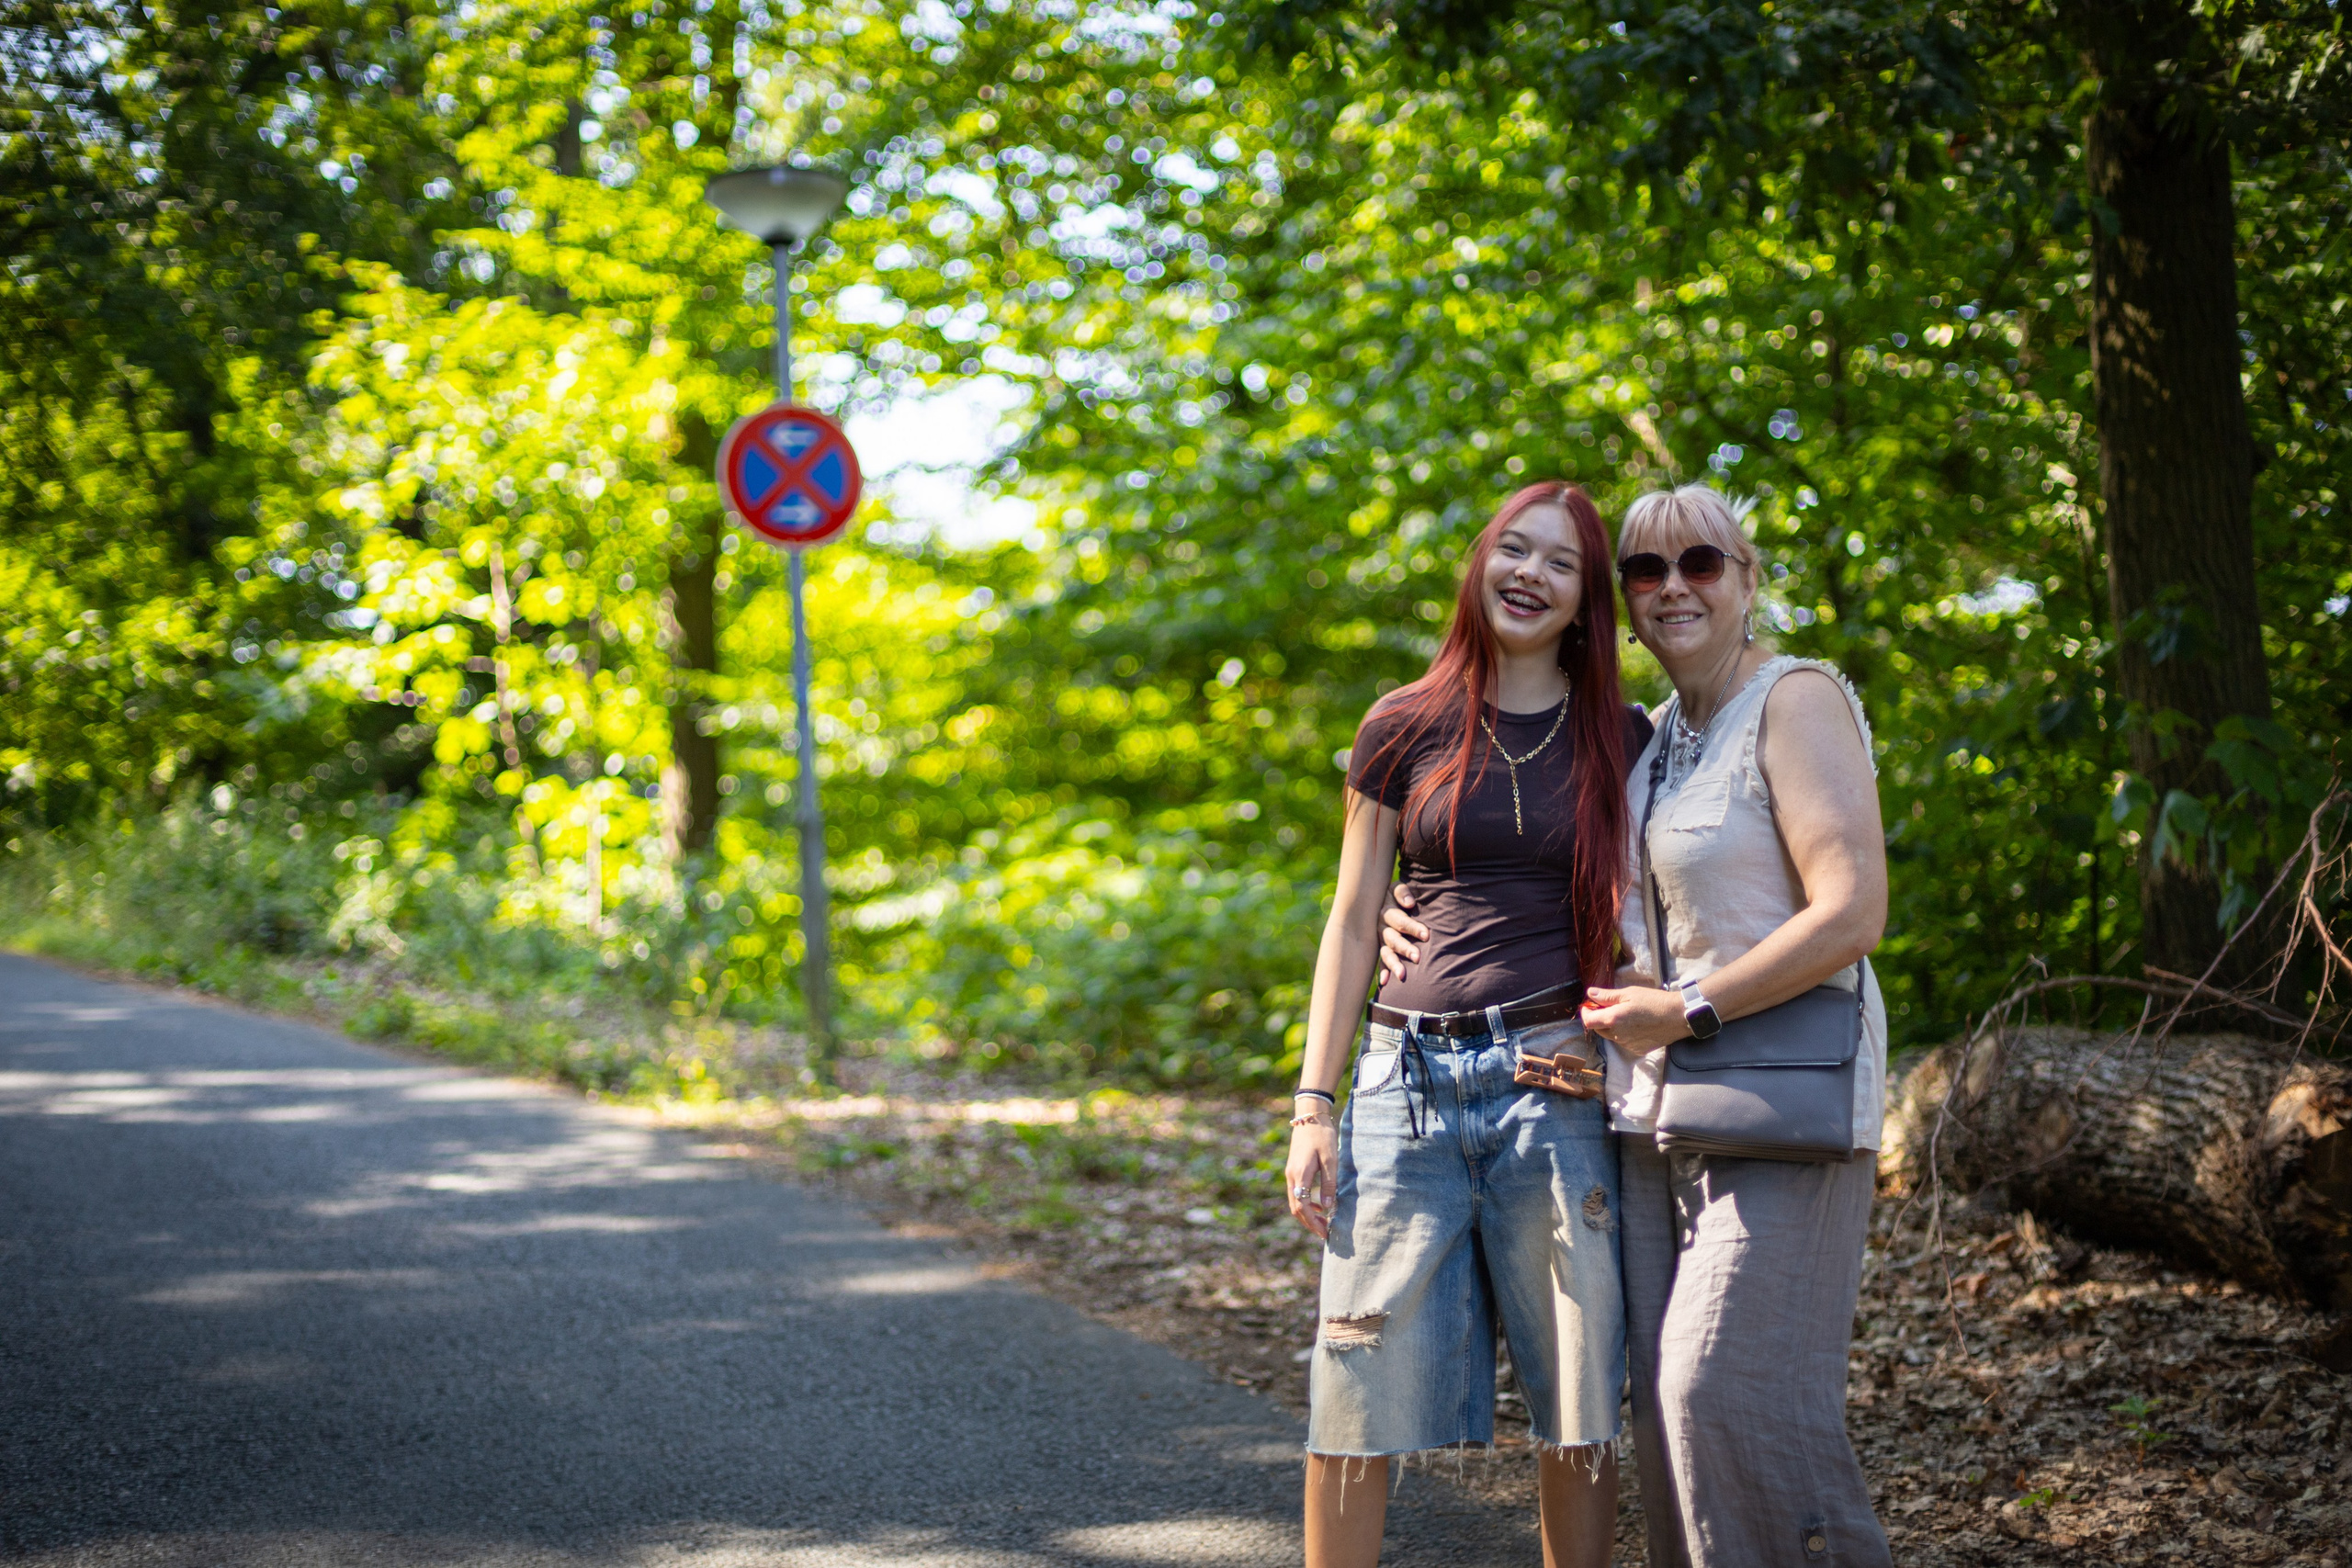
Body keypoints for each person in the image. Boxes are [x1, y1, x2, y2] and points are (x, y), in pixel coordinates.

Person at [1386, 481, 1890, 1566]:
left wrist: (1691, 1009)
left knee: (1723, 1390)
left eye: (1699, 563)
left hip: (1782, 1103)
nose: (1671, 589)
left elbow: (1852, 910)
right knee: (1665, 1419)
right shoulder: (1647, 738)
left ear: (1746, 577)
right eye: (1645, 571)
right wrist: (1412, 913)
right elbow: (1569, 903)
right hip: (1649, 1114)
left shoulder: (1794, 699)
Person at [1284, 480, 1653, 1568]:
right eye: (1512, 549)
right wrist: (1312, 1105)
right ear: (1479, 563)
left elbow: (1667, 912)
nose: (1528, 575)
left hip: (1553, 1081)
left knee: (1579, 1391)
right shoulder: (1403, 722)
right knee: (1352, 1375)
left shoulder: (1624, 739)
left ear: (1586, 601)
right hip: (1402, 1084)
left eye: (1558, 564)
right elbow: (1353, 919)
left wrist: (1612, 1032)